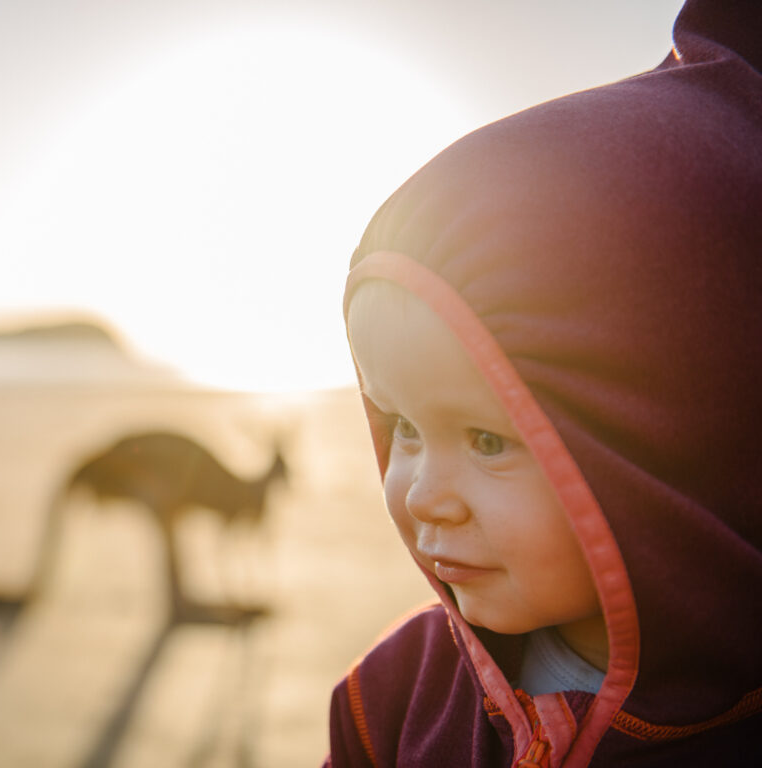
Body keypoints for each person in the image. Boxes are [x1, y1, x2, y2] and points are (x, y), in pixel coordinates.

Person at [325, 0, 762, 765]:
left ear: (672, 448)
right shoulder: (392, 700)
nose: (423, 495)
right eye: (404, 428)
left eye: (489, 439)